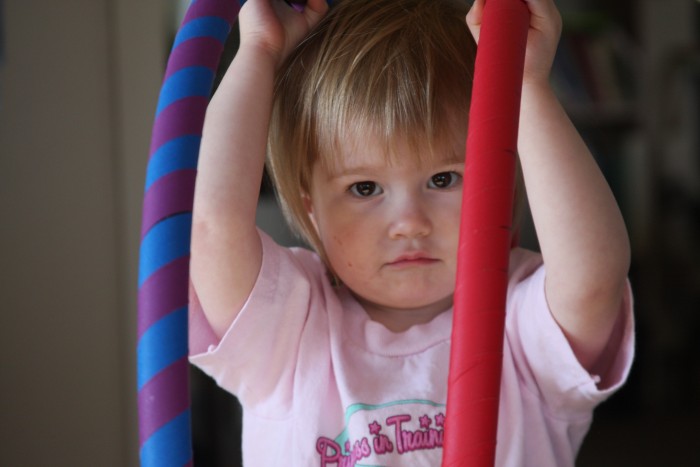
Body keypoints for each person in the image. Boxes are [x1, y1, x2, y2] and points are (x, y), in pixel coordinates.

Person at [188, 0, 635, 465]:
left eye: (443, 179)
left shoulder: (522, 322)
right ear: (312, 209)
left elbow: (594, 280)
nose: (409, 223)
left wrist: (524, 84)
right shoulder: (290, 330)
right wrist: (259, 51)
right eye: (364, 187)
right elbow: (211, 229)